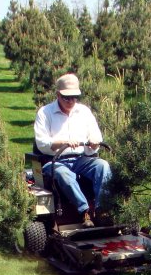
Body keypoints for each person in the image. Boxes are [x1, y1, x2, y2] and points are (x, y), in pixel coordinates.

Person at [34, 73, 112, 228]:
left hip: (80, 159)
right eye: (66, 98)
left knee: (103, 166)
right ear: (58, 95)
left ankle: (102, 209)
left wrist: (94, 143)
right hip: (54, 161)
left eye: (74, 97)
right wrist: (63, 142)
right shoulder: (45, 113)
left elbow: (95, 134)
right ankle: (84, 211)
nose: (71, 101)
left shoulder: (84, 112)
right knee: (65, 175)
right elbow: (42, 143)